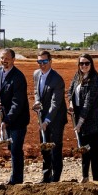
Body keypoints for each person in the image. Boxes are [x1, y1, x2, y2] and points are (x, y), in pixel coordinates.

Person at [67, 53, 98, 183]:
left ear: (91, 64)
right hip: (80, 117)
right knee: (84, 150)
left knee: (94, 152)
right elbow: (70, 91)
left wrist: (80, 122)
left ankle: (96, 180)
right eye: (81, 63)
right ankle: (84, 178)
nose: (84, 66)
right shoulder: (77, 76)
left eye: (86, 63)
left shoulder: (96, 78)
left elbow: (88, 102)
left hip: (93, 120)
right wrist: (71, 103)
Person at [0, 48, 29, 185]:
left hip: (18, 119)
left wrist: (7, 119)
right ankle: (15, 178)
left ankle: (17, 181)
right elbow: (3, 92)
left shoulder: (18, 77)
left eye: (7, 58)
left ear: (14, 59)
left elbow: (18, 102)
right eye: (2, 58)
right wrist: (1, 103)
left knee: (15, 149)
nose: (4, 61)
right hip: (7, 116)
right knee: (11, 148)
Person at [32, 50, 66, 183]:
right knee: (45, 147)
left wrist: (47, 121)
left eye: (44, 61)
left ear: (50, 62)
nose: (42, 64)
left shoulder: (57, 79)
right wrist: (37, 101)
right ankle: (46, 177)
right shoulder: (36, 74)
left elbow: (55, 103)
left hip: (56, 118)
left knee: (55, 148)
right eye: (39, 62)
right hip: (43, 117)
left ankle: (55, 179)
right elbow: (36, 90)